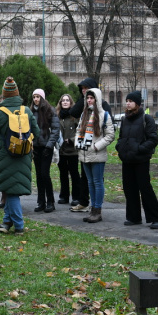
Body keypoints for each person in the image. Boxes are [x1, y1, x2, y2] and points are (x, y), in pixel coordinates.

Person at [0, 76, 40, 235]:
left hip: (6, 156)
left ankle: (19, 225)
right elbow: (37, 132)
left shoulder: (1, 112)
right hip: (23, 155)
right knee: (10, 189)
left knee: (12, 192)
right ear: (17, 94)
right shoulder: (26, 110)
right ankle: (6, 223)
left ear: (4, 95)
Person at [115, 91, 158, 229]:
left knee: (145, 188)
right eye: (127, 100)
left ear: (137, 103)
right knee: (129, 189)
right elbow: (121, 138)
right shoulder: (125, 119)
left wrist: (139, 149)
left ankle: (156, 218)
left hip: (141, 160)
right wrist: (120, 148)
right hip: (127, 159)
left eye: (130, 101)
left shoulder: (146, 119)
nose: (128, 103)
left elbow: (153, 139)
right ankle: (133, 217)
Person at [69, 77, 113, 213]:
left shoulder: (104, 111)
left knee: (97, 182)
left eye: (89, 95)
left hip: (96, 152)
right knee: (88, 181)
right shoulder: (84, 112)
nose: (87, 98)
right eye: (83, 91)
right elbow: (75, 119)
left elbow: (110, 134)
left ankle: (96, 208)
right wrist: (78, 142)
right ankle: (88, 204)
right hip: (84, 152)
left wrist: (96, 146)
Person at [30, 88, 60, 213]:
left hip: (46, 147)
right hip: (35, 147)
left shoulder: (50, 110)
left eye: (38, 97)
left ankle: (51, 202)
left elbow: (55, 129)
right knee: (38, 175)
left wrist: (49, 145)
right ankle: (40, 201)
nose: (36, 99)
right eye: (34, 97)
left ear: (42, 98)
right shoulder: (31, 111)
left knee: (45, 174)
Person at [55, 93, 80, 206]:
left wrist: (71, 139)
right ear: (60, 103)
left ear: (71, 103)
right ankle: (64, 196)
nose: (65, 102)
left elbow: (80, 132)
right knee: (63, 174)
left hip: (72, 150)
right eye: (63, 100)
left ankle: (76, 197)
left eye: (67, 100)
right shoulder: (57, 116)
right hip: (61, 150)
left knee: (74, 174)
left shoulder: (75, 116)